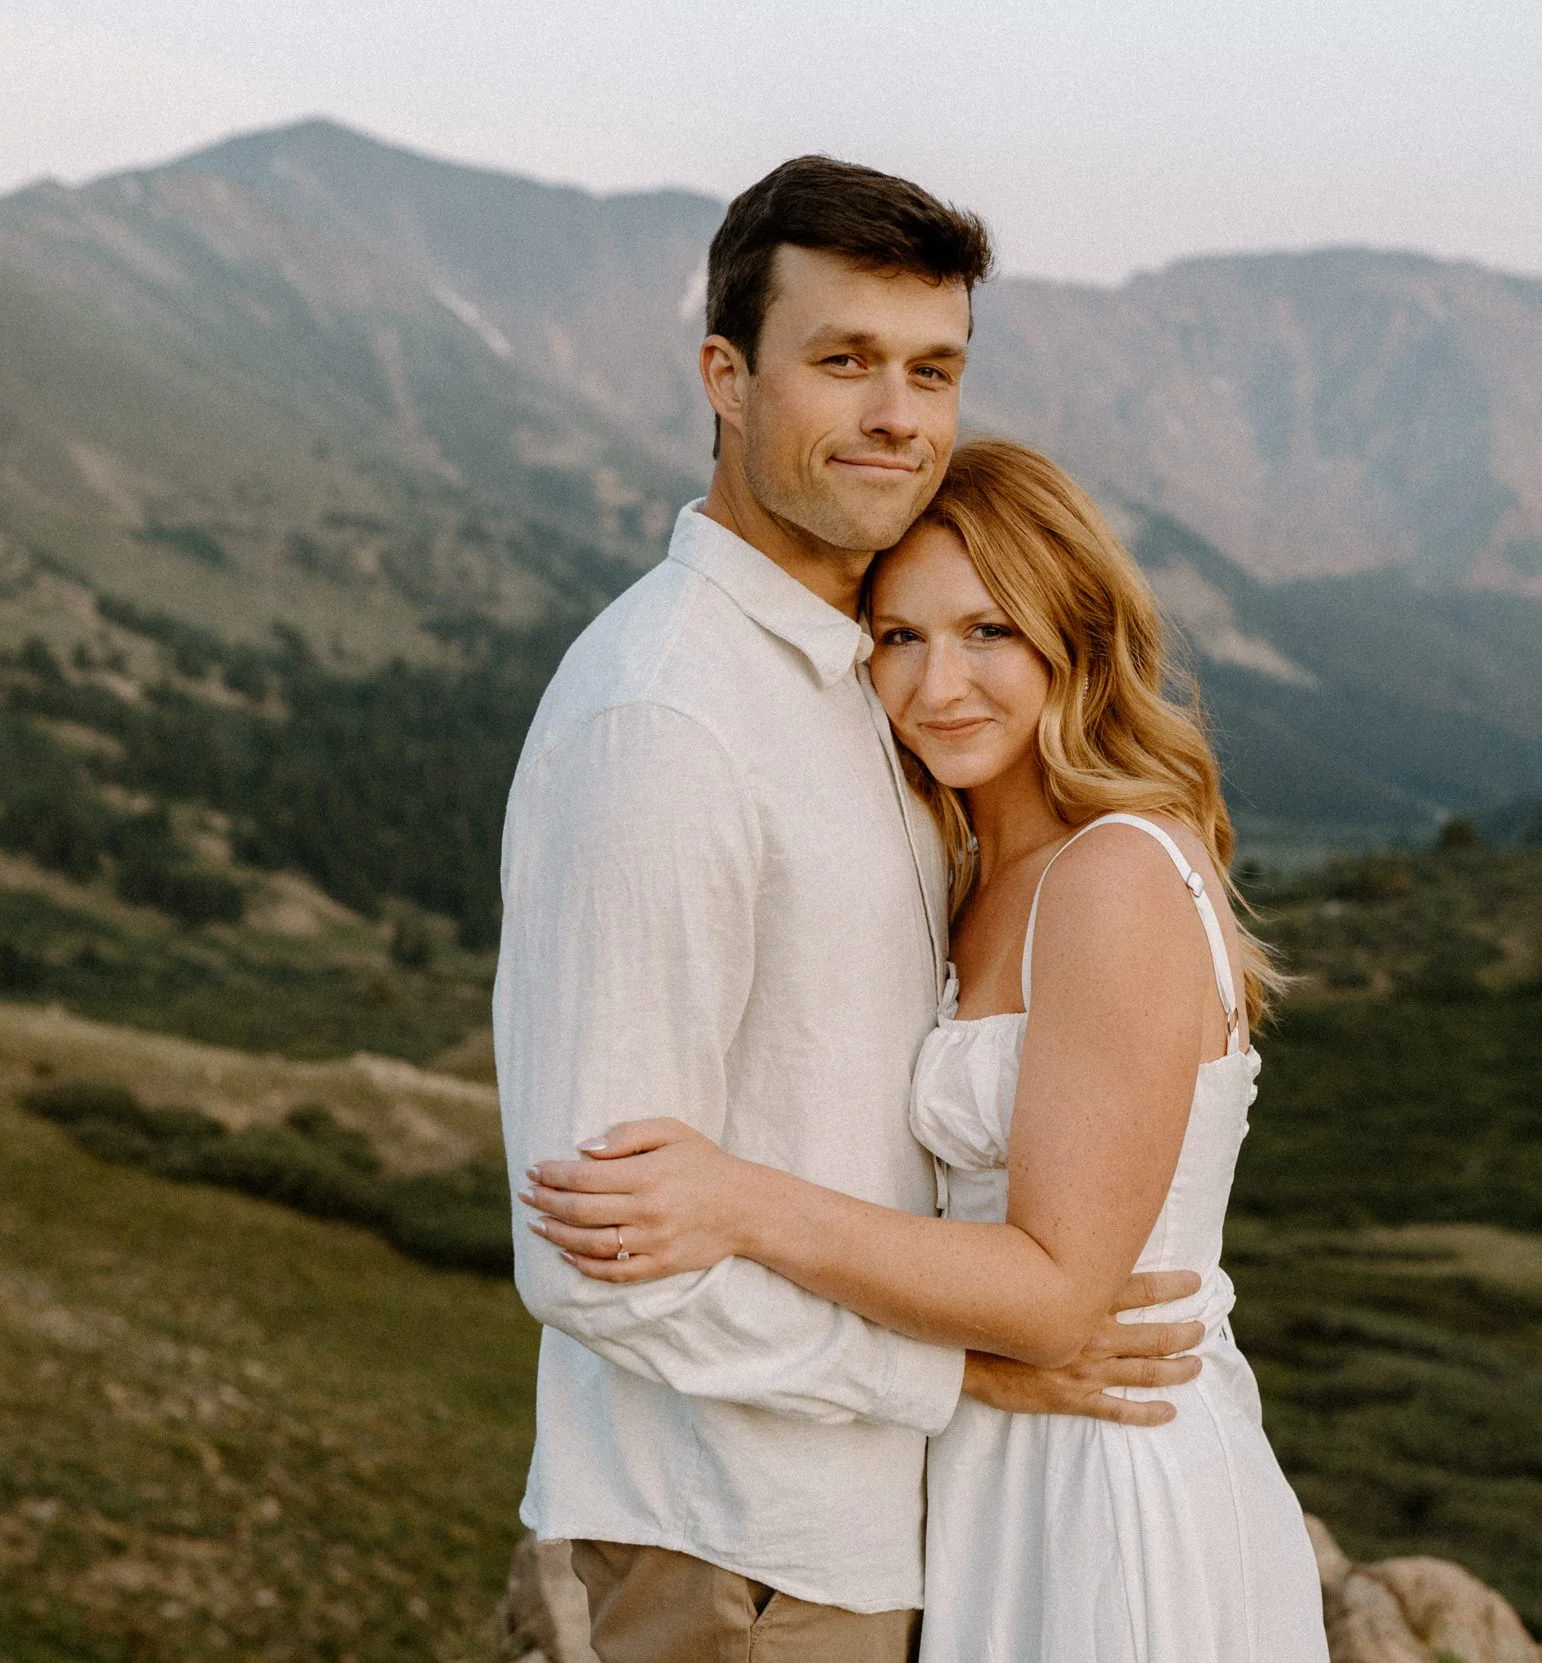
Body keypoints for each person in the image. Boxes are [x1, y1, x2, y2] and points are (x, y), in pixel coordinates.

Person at [494, 158, 1208, 1663]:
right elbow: (587, 1252)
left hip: (872, 1532)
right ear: (727, 377)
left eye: (931, 368)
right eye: (843, 361)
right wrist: (953, 1378)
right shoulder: (668, 719)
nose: (897, 413)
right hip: (742, 1544)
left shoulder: (857, 683)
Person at [525, 437, 1334, 1662]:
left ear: (1076, 636)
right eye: (898, 637)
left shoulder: (1112, 872)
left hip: (1104, 1466)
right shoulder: (969, 868)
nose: (936, 683)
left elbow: (1060, 1292)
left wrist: (740, 1199)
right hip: (980, 1475)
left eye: (987, 632)